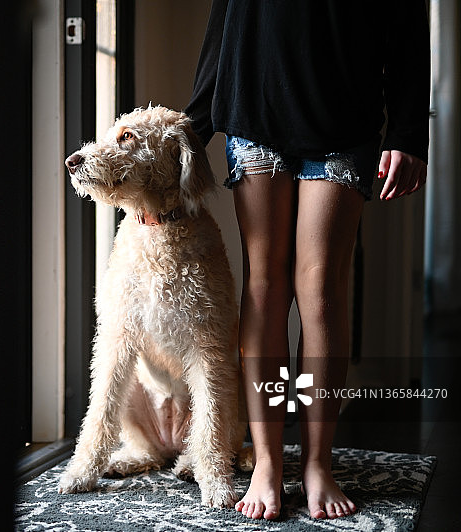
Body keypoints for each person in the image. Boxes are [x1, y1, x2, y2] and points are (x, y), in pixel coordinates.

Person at [184, 0, 430, 521]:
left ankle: (319, 463)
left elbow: (406, 28)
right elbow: (223, 25)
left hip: (345, 117)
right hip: (254, 106)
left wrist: (408, 134)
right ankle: (268, 464)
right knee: (265, 287)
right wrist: (191, 133)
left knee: (320, 292)